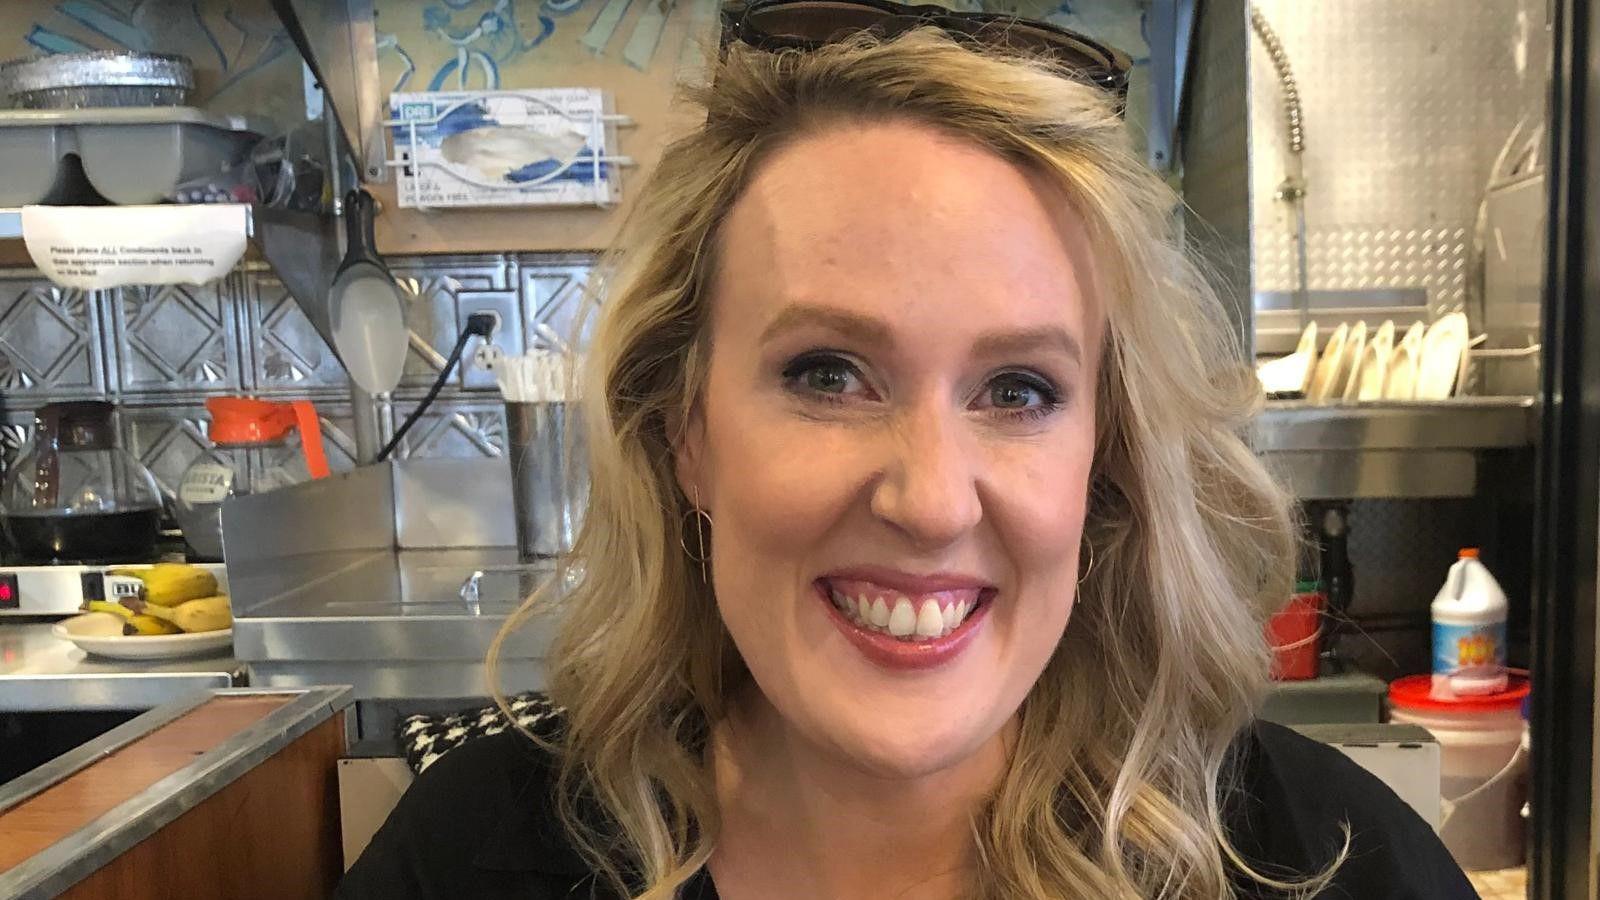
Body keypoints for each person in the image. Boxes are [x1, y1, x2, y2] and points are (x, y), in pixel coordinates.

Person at [339, 4, 1477, 898]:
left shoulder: (1322, 865)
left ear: (1104, 460)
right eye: (827, 374)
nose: (931, 501)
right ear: (684, 434)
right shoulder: (473, 855)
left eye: (1018, 390)